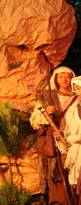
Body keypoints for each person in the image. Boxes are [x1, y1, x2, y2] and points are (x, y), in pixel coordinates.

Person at [30, 66, 76, 204]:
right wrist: (45, 113)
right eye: (61, 77)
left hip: (74, 140)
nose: (64, 80)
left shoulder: (78, 96)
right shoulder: (47, 97)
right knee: (57, 175)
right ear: (55, 79)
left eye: (67, 77)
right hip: (56, 142)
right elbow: (34, 120)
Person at [63, 76, 81, 204]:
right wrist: (70, 138)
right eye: (76, 89)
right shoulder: (74, 110)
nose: (77, 92)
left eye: (79, 89)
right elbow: (70, 130)